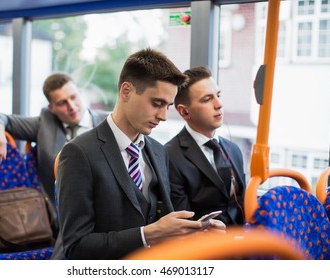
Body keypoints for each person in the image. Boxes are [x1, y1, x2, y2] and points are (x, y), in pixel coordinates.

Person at [52, 48, 225, 260]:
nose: (162, 116)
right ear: (126, 91)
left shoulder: (159, 151)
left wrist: (195, 233)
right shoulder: (78, 153)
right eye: (157, 103)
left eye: (168, 107)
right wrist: (148, 234)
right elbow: (76, 246)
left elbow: (165, 226)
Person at [0, 72, 108, 205]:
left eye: (73, 97)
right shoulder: (44, 124)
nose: (71, 106)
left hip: (102, 203)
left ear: (79, 93)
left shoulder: (108, 122)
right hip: (59, 212)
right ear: (51, 108)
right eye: (62, 103)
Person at [165, 66, 246, 226]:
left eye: (218, 95)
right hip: (202, 247)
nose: (219, 104)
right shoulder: (169, 156)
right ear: (184, 112)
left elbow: (240, 203)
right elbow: (182, 222)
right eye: (207, 99)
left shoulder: (234, 149)